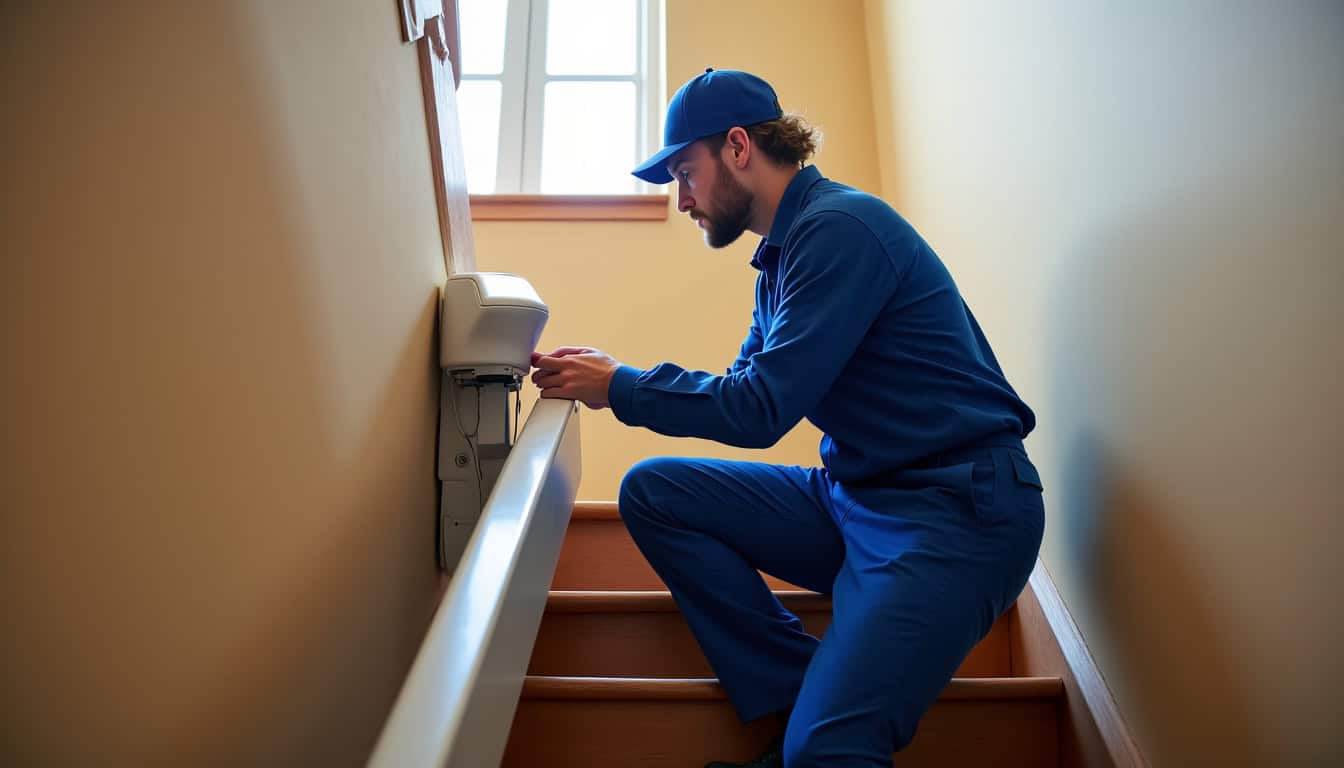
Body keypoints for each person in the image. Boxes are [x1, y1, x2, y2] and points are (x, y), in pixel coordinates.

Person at [529, 68, 1045, 768]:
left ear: (738, 146)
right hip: (857, 498)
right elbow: (746, 383)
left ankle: (815, 730)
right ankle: (801, 689)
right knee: (655, 493)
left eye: (685, 172)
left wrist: (619, 384)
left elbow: (760, 409)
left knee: (829, 749)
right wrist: (620, 382)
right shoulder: (779, 260)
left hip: (955, 511)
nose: (681, 200)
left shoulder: (839, 229)